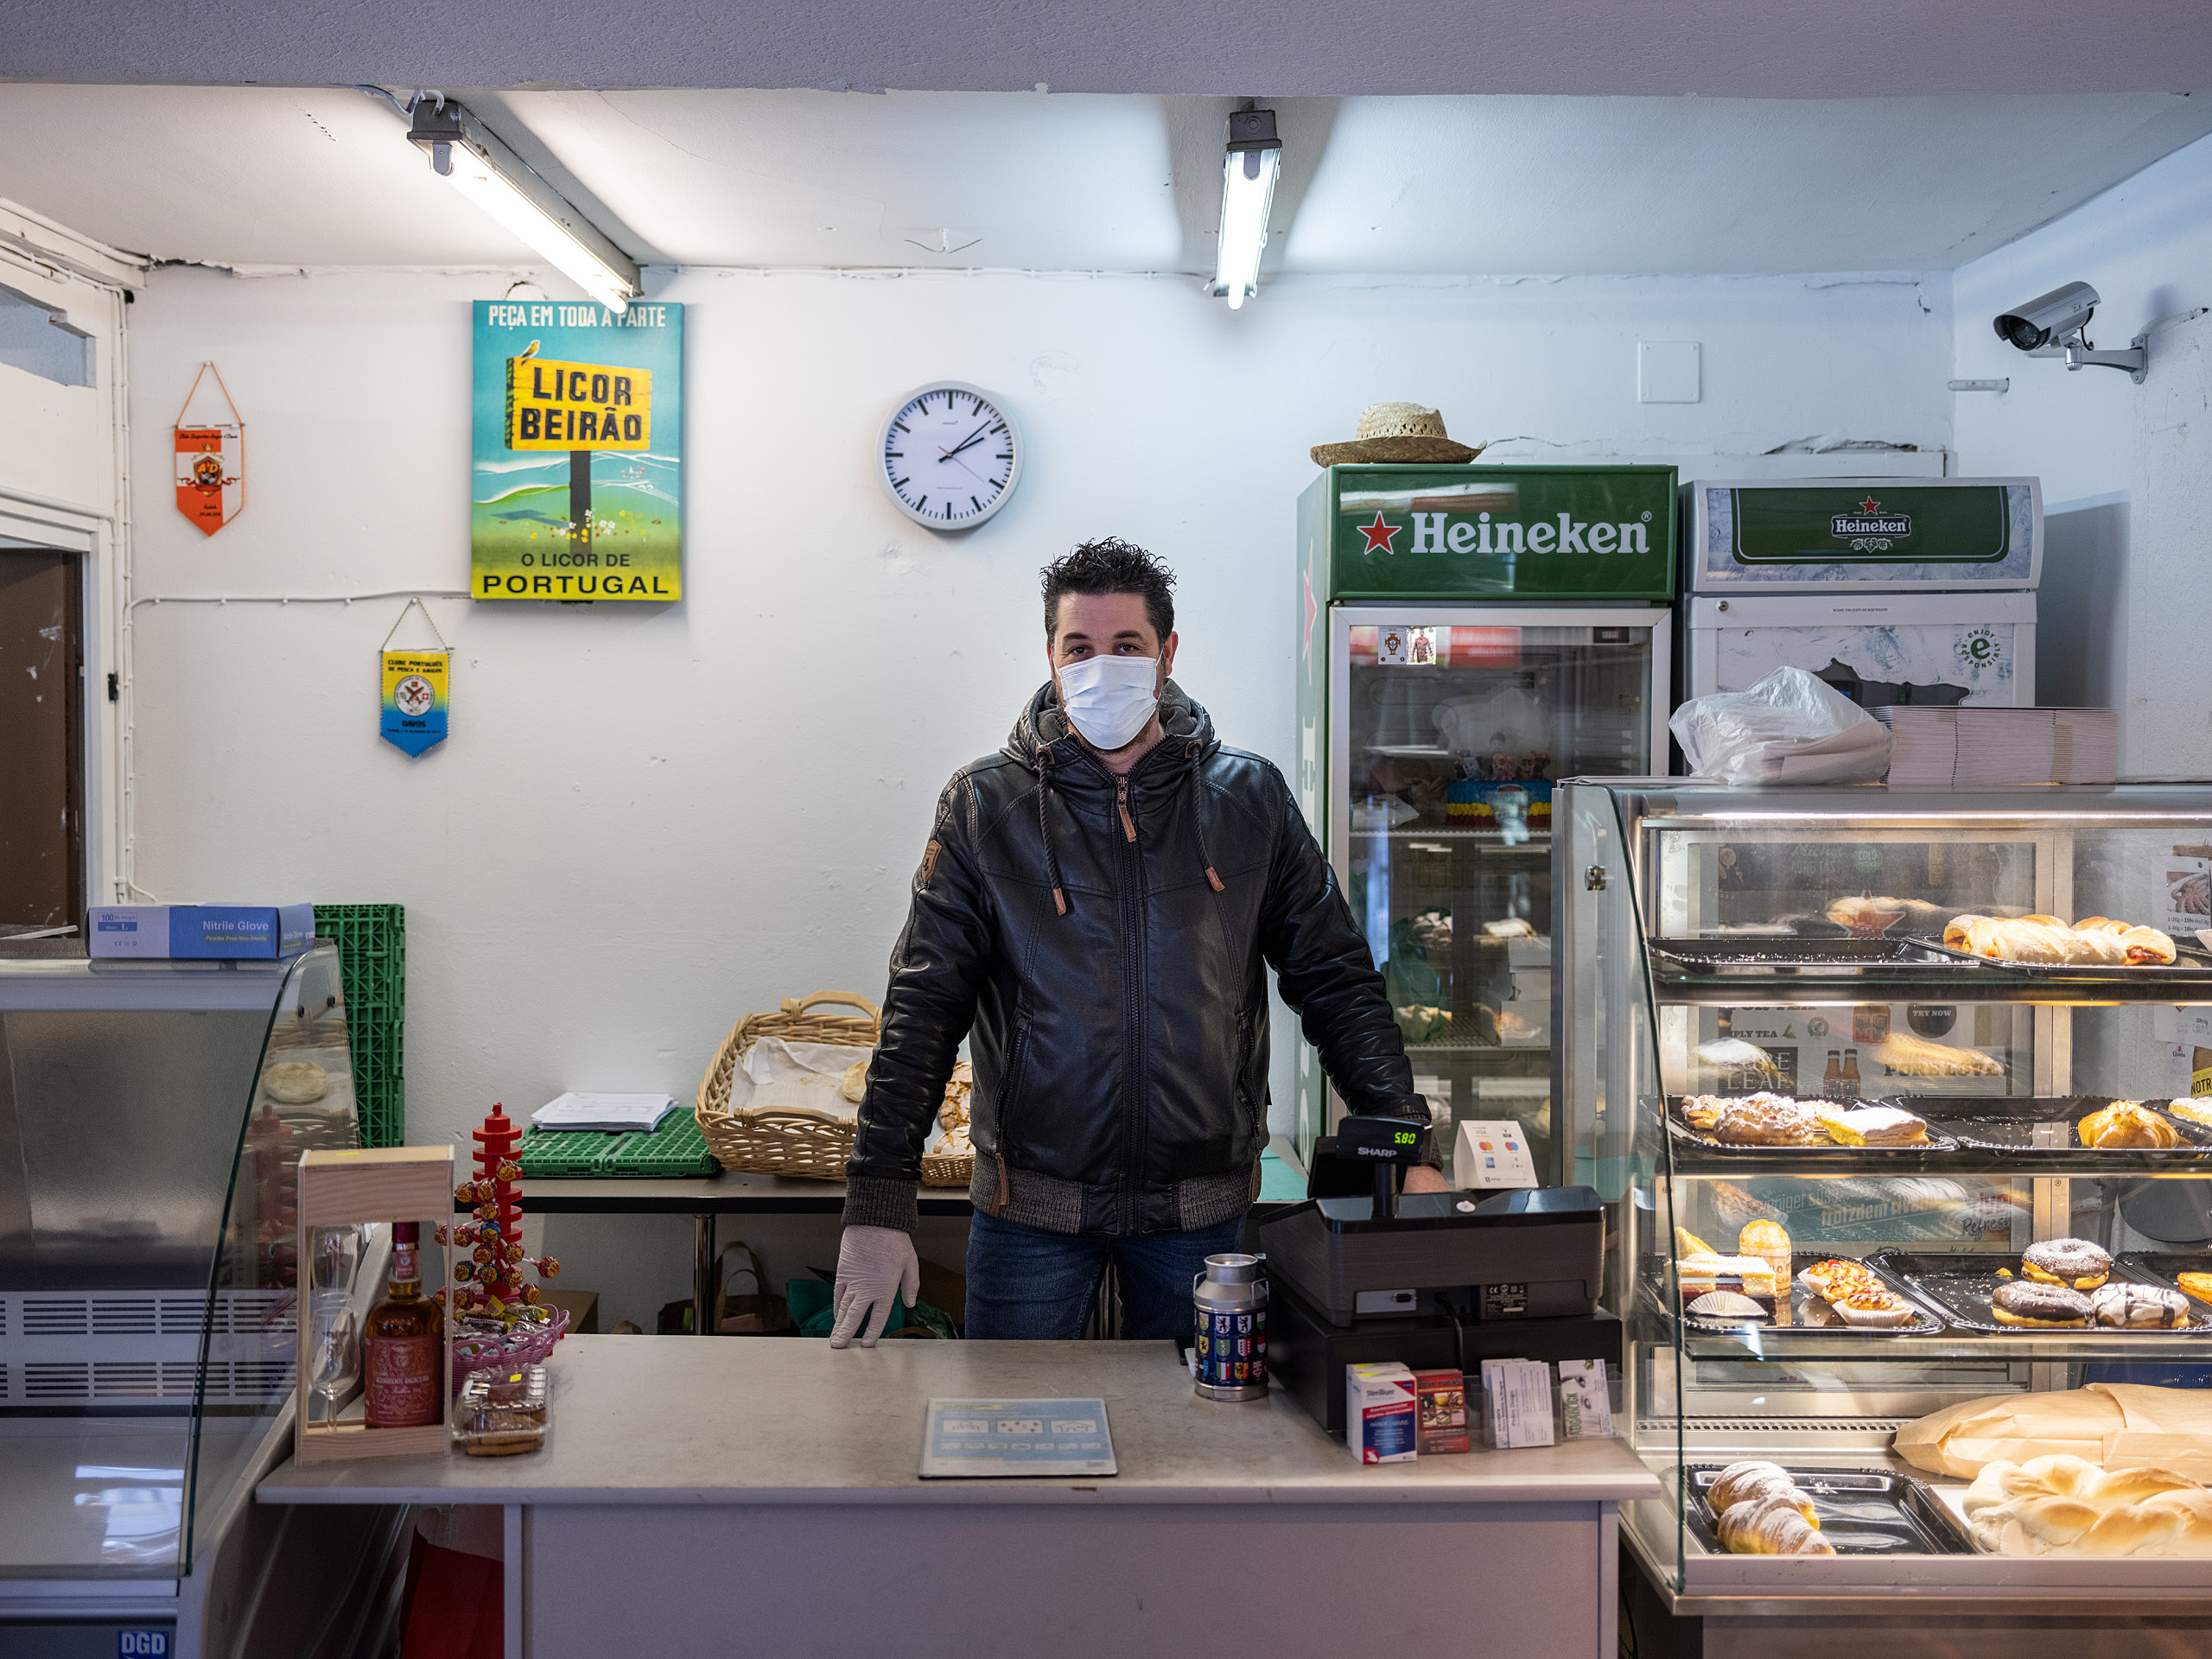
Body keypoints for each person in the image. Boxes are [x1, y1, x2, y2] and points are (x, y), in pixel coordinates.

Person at [830, 537, 1446, 1347]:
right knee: (1014, 1450)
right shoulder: (986, 806)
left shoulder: (1248, 797)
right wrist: (879, 1202)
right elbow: (922, 1008)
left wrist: (1407, 1143)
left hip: (1201, 1222)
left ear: (1167, 655)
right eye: (1079, 648)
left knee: (1198, 1458)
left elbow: (1335, 979)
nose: (1102, 667)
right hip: (1029, 1216)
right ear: (1050, 656)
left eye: (1127, 646)